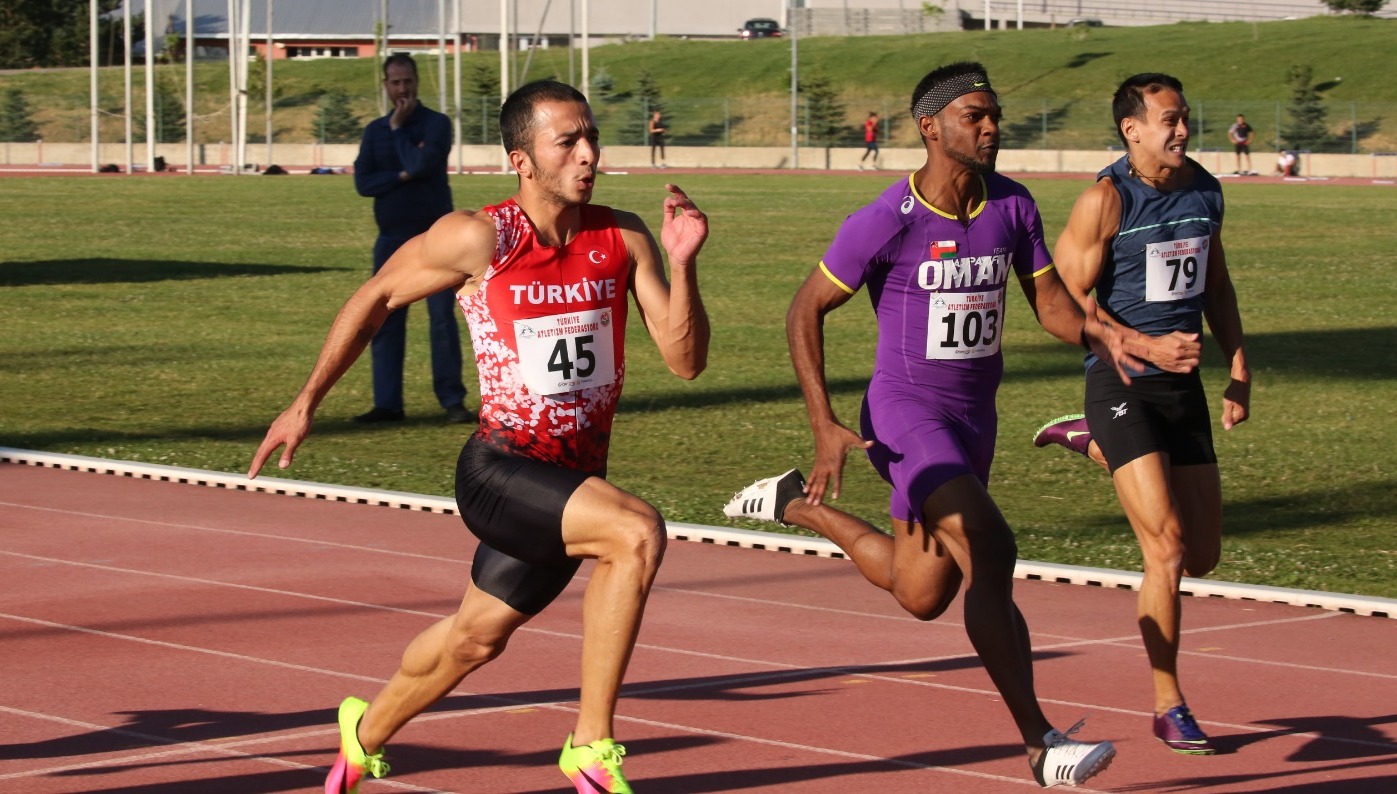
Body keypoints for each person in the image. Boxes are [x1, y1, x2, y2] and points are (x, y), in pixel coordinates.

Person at [721, 61, 1181, 788]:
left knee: (921, 592)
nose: (991, 126)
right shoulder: (884, 220)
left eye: (994, 114)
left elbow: (1053, 306)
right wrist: (824, 424)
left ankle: (794, 506)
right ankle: (1040, 743)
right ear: (929, 126)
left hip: (973, 422)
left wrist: (1110, 336)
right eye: (975, 115)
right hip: (904, 414)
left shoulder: (1012, 207)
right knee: (991, 547)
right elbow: (803, 307)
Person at [250, 79, 711, 794]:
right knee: (635, 532)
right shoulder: (480, 236)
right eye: (568, 142)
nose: (588, 153)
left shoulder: (619, 236)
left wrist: (682, 265)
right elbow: (375, 296)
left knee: (473, 639)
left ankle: (360, 736)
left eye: (591, 137)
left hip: (569, 482)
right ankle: (590, 746)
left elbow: (684, 361)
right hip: (500, 471)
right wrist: (305, 401)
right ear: (521, 159)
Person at [1031, 72, 1250, 757]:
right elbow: (1061, 303)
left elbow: (1214, 283)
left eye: (1184, 118)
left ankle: (1089, 443)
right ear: (1131, 129)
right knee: (1166, 549)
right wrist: (1138, 343)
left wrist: (1238, 369)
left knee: (1204, 555)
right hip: (1119, 381)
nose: (1180, 129)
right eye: (1167, 120)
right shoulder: (1105, 200)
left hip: (1179, 390)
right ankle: (1169, 704)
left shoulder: (1203, 190)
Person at [353, 53, 473, 424]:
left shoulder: (436, 125)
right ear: (386, 86)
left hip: (437, 238)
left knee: (441, 320)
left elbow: (422, 165)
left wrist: (401, 133)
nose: (401, 89)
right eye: (394, 82)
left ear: (417, 82)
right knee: (384, 319)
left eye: (407, 81)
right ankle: (388, 405)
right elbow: (363, 183)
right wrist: (402, 175)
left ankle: (452, 401)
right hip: (391, 239)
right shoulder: (375, 131)